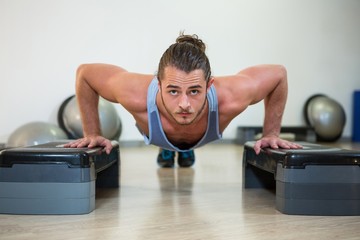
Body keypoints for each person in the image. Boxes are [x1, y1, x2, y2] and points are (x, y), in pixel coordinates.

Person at [64, 33, 302, 168]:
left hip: (198, 130)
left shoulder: (231, 95)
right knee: (170, 137)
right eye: (174, 91)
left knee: (181, 128)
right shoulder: (134, 92)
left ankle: (181, 151)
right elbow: (85, 74)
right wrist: (91, 132)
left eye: (195, 91)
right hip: (157, 128)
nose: (185, 103)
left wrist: (271, 133)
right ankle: (167, 148)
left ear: (210, 85)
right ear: (158, 84)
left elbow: (278, 74)